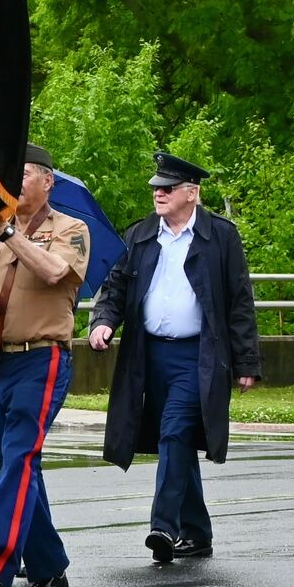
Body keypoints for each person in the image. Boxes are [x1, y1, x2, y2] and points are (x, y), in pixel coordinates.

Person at [90, 151, 261, 564]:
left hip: (197, 355)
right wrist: (103, 322)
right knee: (179, 441)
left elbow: (239, 300)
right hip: (148, 355)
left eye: (167, 188)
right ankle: (198, 533)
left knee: (173, 432)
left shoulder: (220, 235)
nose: (158, 194)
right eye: (155, 188)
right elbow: (114, 287)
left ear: (192, 193)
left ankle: (163, 525)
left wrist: (247, 362)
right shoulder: (140, 235)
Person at [0, 145, 91, 587]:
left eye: (25, 174)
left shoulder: (71, 229)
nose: (15, 184)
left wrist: (7, 231)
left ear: (48, 181)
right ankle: (50, 570)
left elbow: (56, 273)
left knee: (18, 461)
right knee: (18, 467)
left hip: (41, 359)